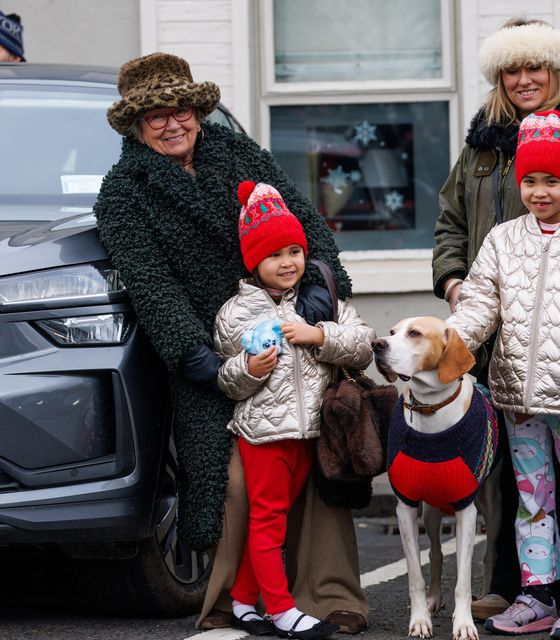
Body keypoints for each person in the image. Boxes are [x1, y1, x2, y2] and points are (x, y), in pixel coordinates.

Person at [93, 52, 368, 632]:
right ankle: (235, 597)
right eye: (156, 115)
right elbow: (152, 286)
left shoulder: (237, 152)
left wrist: (322, 288)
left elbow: (309, 226)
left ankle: (329, 593)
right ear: (135, 125)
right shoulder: (123, 193)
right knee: (240, 482)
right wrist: (199, 358)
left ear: (199, 110)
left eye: (182, 110)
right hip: (213, 354)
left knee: (321, 455)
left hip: (297, 329)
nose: (173, 124)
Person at [433, 17, 560, 622]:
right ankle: (527, 588)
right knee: (521, 481)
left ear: (556, 71)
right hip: (504, 342)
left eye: (533, 67)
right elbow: (452, 223)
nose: (523, 79)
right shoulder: (482, 144)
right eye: (511, 69)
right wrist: (456, 286)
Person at [212, 182, 375, 638]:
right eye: (274, 255)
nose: (287, 263)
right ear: (253, 262)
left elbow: (361, 344)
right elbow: (226, 378)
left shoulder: (322, 300)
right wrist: (249, 367)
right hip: (263, 435)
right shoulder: (235, 314)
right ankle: (281, 609)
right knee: (268, 521)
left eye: (294, 251)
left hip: (311, 434)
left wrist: (319, 336)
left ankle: (244, 600)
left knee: (275, 517)